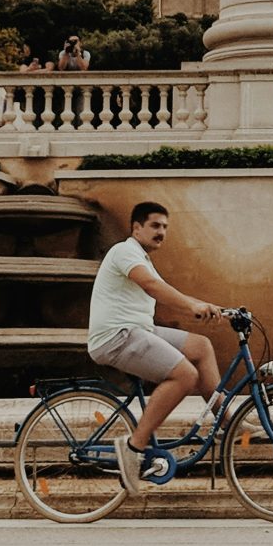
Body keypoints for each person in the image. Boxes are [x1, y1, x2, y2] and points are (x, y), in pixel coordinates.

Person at [87, 201, 227, 493]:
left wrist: (217, 310)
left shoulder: (143, 257)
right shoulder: (125, 251)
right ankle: (134, 448)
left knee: (200, 346)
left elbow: (166, 293)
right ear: (136, 228)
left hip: (138, 331)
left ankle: (228, 422)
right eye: (155, 226)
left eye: (165, 227)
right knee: (185, 375)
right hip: (117, 335)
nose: (161, 232)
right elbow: (152, 287)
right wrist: (193, 306)